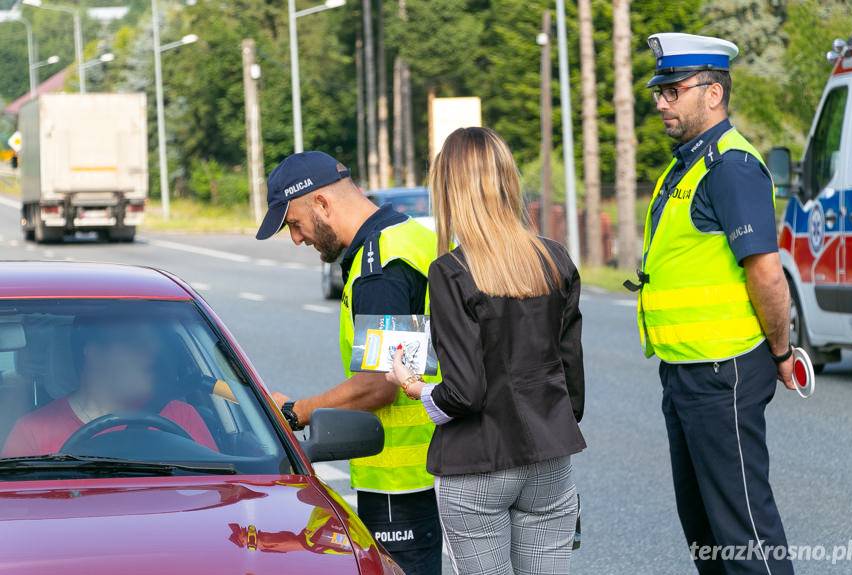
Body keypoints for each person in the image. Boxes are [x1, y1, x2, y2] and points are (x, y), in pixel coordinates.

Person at [385, 127, 585, 575]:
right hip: (549, 457)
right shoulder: (555, 259)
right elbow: (571, 376)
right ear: (508, 181)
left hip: (477, 462)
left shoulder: (451, 272)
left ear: (450, 191)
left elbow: (464, 393)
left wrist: (414, 386)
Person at [633, 32, 795, 574]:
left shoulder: (732, 166)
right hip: (686, 371)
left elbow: (766, 272)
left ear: (713, 93)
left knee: (744, 532)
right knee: (705, 531)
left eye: (673, 90)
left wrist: (781, 352)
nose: (662, 102)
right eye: (659, 92)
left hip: (724, 371)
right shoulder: (687, 165)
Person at [255, 151, 442, 575]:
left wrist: (295, 412)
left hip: (401, 481)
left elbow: (380, 383)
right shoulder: (410, 237)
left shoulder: (380, 268)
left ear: (322, 203)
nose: (297, 239)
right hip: (435, 465)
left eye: (295, 224)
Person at [2, 318, 216, 457]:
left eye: (153, 346)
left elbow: (215, 491)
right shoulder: (33, 431)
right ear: (93, 352)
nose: (150, 355)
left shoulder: (182, 416)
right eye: (135, 344)